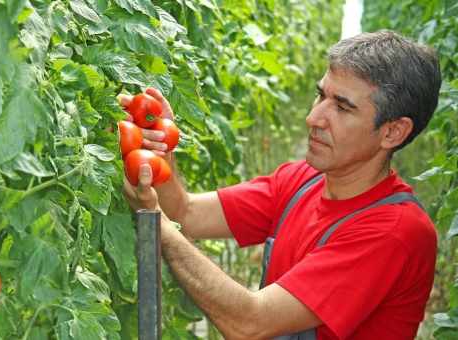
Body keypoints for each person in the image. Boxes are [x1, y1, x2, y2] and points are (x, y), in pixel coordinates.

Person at [119, 30, 441, 340]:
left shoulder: (394, 232)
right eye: (321, 95)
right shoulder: (303, 180)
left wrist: (157, 228)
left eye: (342, 107)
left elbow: (250, 323)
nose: (314, 117)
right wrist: (160, 150)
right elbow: (187, 213)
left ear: (393, 132)